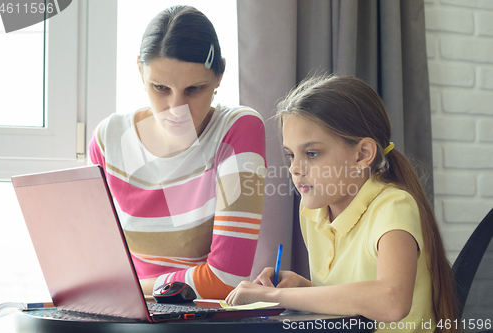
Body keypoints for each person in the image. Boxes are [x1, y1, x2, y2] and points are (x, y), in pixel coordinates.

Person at [225, 75, 458, 332]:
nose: (295, 169)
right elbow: (358, 300)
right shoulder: (313, 211)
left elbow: (392, 301)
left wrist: (274, 297)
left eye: (311, 153)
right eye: (291, 155)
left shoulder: (393, 206)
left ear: (362, 154)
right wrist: (305, 289)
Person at [88, 5, 266, 300]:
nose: (176, 108)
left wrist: (124, 289)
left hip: (198, 321)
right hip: (125, 313)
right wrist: (112, 290)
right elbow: (94, 268)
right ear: (140, 71)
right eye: (160, 87)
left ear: (219, 74)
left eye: (194, 89)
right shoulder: (109, 139)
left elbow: (225, 279)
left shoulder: (238, 129)